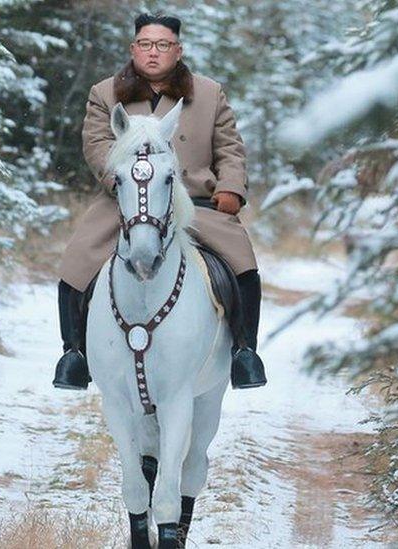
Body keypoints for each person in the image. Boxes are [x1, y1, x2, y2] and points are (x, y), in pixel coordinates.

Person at [53, 12, 266, 391]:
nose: (154, 53)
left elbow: (230, 149)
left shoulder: (209, 93)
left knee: (243, 266)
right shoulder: (105, 94)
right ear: (134, 48)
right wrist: (119, 179)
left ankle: (244, 353)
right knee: (77, 261)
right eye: (146, 45)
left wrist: (231, 187)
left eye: (163, 45)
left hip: (197, 202)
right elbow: (97, 146)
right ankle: (75, 354)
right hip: (126, 200)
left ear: (178, 50)